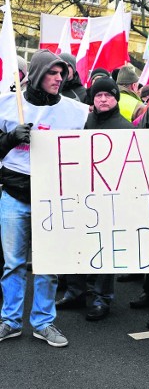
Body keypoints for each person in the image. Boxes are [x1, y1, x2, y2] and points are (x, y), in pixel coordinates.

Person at [0, 50, 87, 346]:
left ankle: (43, 322)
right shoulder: (8, 106)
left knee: (48, 265)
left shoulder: (76, 112)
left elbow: (85, 156)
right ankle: (10, 320)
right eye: (53, 72)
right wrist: (10, 138)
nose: (60, 78)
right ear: (36, 75)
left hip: (52, 200)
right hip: (14, 195)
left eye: (62, 73)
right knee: (12, 264)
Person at [55, 78, 133, 321]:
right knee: (78, 244)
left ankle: (102, 298)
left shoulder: (127, 128)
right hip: (81, 194)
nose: (102, 99)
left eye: (108, 95)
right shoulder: (82, 123)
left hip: (110, 199)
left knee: (104, 249)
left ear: (115, 98)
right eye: (98, 95)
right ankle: (76, 292)